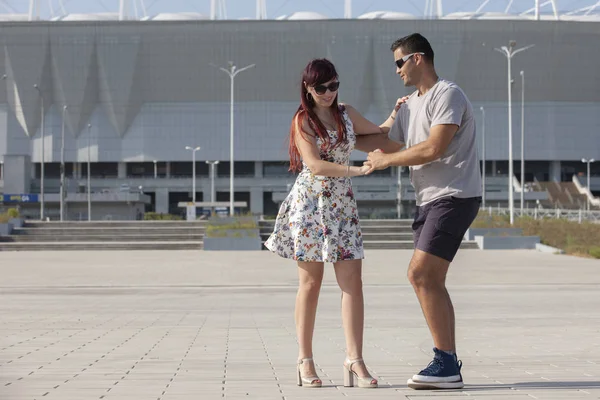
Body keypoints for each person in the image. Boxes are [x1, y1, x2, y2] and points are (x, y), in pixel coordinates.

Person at [364, 33, 482, 390]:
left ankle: (446, 362)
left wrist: (386, 161)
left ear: (418, 59)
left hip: (454, 195)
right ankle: (448, 361)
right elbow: (384, 139)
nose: (396, 70)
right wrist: (333, 127)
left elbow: (433, 147)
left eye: (399, 62)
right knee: (430, 279)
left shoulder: (448, 94)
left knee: (420, 274)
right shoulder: (412, 103)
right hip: (428, 199)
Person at [265, 58, 386, 389]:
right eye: (322, 88)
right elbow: (316, 166)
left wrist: (397, 113)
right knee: (310, 283)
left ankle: (354, 359)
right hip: (310, 205)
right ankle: (305, 360)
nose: (329, 92)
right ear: (308, 88)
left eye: (334, 85)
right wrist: (358, 170)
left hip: (342, 206)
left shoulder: (345, 112)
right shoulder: (302, 120)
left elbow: (376, 132)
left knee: (353, 283)